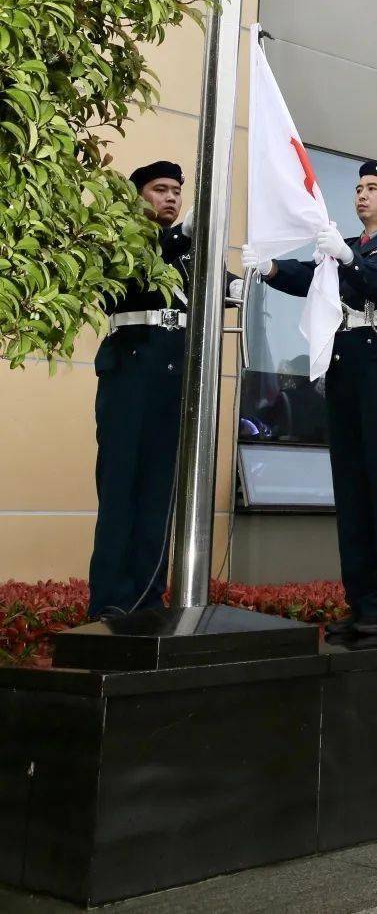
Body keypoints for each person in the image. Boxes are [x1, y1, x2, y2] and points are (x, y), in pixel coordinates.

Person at [244, 159, 377, 644]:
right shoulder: (347, 248)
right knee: (351, 487)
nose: (362, 195)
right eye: (359, 187)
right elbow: (311, 277)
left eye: (373, 188)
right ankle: (360, 600)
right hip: (345, 368)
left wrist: (348, 258)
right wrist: (271, 267)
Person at [89, 160, 195, 620]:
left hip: (171, 377)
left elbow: (224, 287)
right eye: (160, 189)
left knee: (158, 493)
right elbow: (134, 275)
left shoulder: (189, 250)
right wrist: (182, 236)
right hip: (131, 371)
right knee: (121, 490)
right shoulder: (121, 235)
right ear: (138, 196)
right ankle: (111, 602)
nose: (170, 198)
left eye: (175, 191)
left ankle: (148, 601)